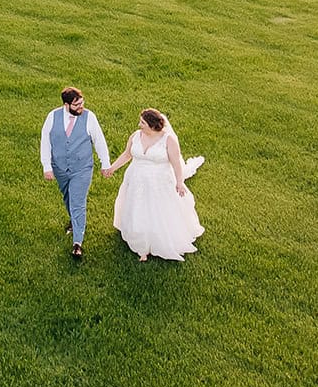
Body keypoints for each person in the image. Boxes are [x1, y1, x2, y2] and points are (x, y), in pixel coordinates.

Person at [105, 109, 204, 262]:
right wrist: (112, 168)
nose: (139, 125)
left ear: (153, 126)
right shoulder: (136, 136)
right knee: (137, 207)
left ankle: (157, 240)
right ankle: (140, 243)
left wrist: (179, 182)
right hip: (136, 179)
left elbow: (176, 163)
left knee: (157, 210)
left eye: (143, 123)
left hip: (159, 182)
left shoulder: (168, 139)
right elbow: (127, 154)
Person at [40, 86, 113, 261]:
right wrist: (47, 167)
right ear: (66, 105)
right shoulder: (52, 117)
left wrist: (105, 163)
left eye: (82, 103)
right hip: (60, 168)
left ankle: (77, 243)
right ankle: (74, 221)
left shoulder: (89, 117)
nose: (81, 107)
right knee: (68, 197)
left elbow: (99, 141)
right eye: (76, 105)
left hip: (82, 168)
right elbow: (45, 141)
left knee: (78, 202)